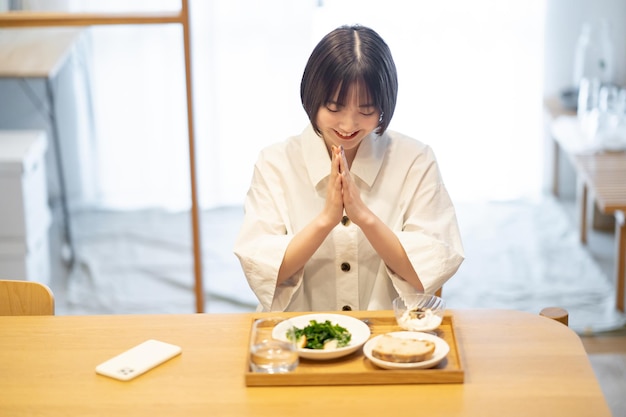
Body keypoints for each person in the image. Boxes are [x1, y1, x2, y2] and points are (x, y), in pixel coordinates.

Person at [234, 25, 464, 312]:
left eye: (366, 111)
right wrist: (326, 220)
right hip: (297, 337)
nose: (348, 125)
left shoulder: (415, 159)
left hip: (388, 341)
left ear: (384, 105)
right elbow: (263, 272)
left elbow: (427, 271)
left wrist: (364, 217)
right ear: (311, 97)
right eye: (333, 108)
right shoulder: (275, 162)